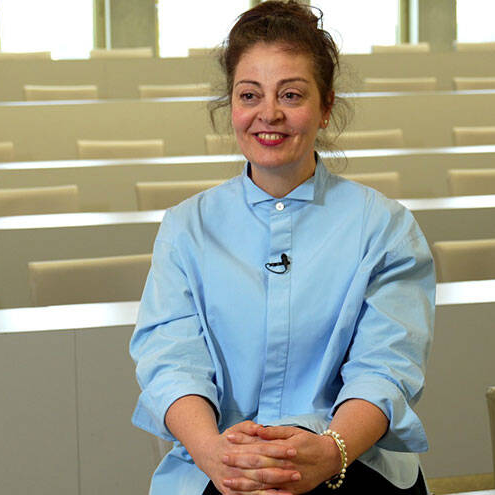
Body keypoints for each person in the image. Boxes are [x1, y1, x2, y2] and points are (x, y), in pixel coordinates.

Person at [129, 2, 434, 494]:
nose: (268, 114)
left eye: (291, 95)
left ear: (326, 107)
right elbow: (171, 361)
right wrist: (215, 455)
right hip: (221, 460)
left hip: (347, 459)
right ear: (231, 105)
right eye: (250, 95)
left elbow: (385, 368)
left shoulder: (385, 227)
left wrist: (329, 451)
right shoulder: (186, 227)